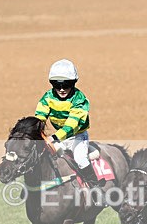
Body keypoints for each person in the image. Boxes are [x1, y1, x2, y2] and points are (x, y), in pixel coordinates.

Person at [34, 58, 102, 187]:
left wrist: (53, 138)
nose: (61, 89)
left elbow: (72, 126)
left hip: (78, 136)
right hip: (59, 137)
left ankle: (96, 188)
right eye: (56, 84)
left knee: (80, 159)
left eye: (66, 84)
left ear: (74, 83)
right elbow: (40, 117)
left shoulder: (80, 99)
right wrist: (36, 132)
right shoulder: (47, 97)